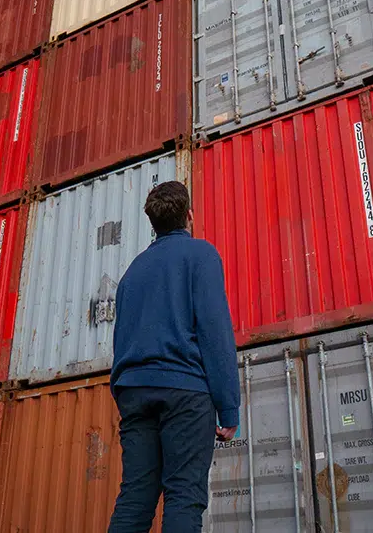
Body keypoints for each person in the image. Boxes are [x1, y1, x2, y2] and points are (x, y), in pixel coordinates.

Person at [108, 180, 240, 533]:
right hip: (185, 393)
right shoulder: (201, 255)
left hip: (134, 393)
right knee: (184, 495)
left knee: (134, 498)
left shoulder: (131, 274)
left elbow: (120, 342)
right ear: (189, 217)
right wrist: (228, 407)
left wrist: (126, 394)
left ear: (154, 223)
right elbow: (215, 333)